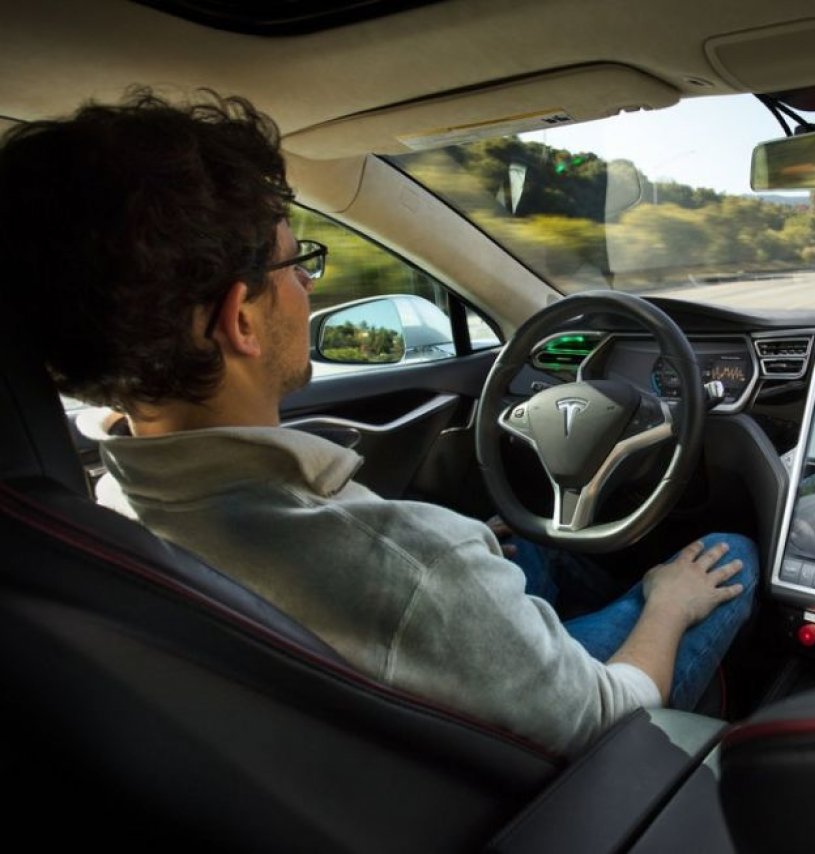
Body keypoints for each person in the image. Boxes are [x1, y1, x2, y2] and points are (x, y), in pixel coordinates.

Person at [0, 88, 756, 755]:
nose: (306, 283)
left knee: (526, 544)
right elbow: (605, 716)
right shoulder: (422, 568)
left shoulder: (98, 513)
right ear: (241, 321)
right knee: (729, 556)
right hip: (583, 755)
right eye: (296, 263)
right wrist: (666, 605)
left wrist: (470, 564)